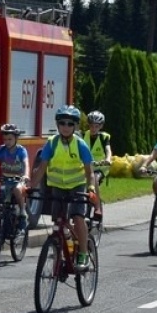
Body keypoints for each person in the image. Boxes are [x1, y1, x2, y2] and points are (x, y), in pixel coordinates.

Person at [30, 105, 96, 271]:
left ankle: (83, 253)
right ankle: (62, 248)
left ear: (75, 126)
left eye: (70, 124)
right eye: (62, 123)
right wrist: (30, 187)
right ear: (57, 125)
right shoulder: (52, 143)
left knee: (78, 217)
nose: (66, 127)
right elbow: (41, 168)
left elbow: (89, 172)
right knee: (58, 221)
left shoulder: (80, 145)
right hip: (58, 186)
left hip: (77, 186)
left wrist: (91, 188)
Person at [84, 110, 113, 220]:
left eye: (96, 126)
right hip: (86, 166)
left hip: (100, 167)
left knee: (94, 179)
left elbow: (108, 150)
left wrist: (108, 159)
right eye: (91, 126)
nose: (93, 128)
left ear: (101, 126)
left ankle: (97, 207)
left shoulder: (104, 137)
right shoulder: (83, 136)